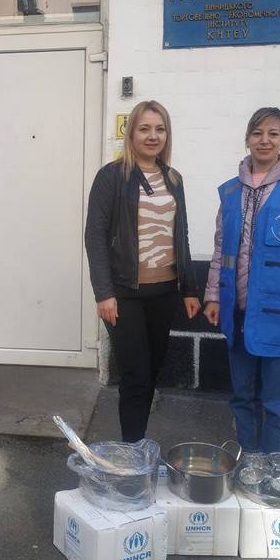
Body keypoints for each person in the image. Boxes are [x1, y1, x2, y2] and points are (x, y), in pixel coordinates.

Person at [202, 107, 280, 454]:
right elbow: (220, 250)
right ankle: (247, 463)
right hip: (240, 314)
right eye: (257, 133)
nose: (265, 140)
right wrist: (213, 296)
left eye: (273, 133)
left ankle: (274, 470)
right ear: (247, 139)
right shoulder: (230, 192)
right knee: (242, 397)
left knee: (277, 404)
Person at [85, 100, 201, 443]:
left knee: (150, 373)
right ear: (131, 134)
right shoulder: (112, 176)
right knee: (135, 375)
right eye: (144, 129)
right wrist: (104, 293)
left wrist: (189, 289)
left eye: (160, 129)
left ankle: (137, 443)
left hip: (164, 291)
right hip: (124, 294)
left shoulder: (173, 179)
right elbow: (95, 236)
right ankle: (132, 449)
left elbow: (181, 235)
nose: (153, 136)